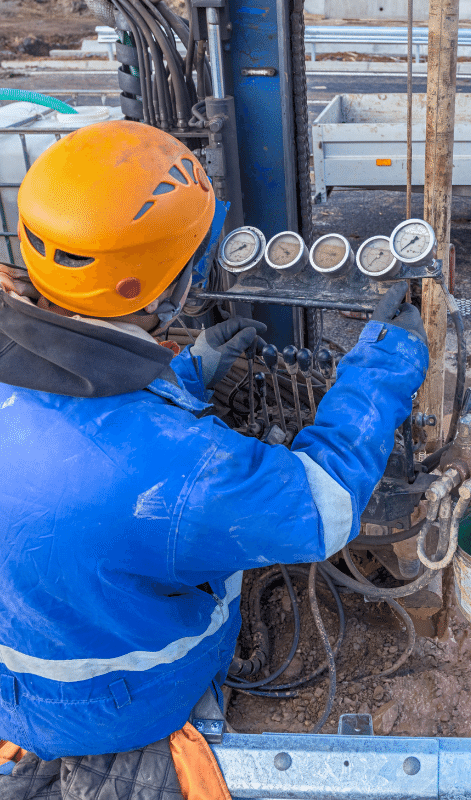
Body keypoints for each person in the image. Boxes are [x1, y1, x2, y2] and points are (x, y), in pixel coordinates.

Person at [0, 121, 428, 795]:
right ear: (170, 285)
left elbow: (84, 423)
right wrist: (382, 368)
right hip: (124, 703)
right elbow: (325, 505)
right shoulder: (184, 471)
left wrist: (187, 376)